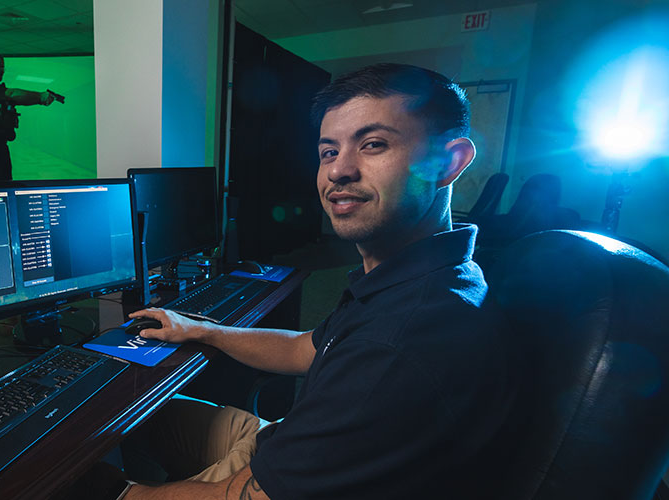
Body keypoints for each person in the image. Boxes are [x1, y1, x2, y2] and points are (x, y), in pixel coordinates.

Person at [115, 63, 518, 499]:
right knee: (140, 415)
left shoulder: (401, 342)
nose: (338, 171)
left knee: (83, 474)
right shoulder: (419, 278)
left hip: (272, 480)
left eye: (373, 144)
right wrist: (204, 330)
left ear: (448, 162)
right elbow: (305, 348)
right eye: (329, 151)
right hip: (287, 443)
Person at [0, 50, 55, 181]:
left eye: (3, 67)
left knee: (5, 184)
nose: (3, 71)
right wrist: (40, 97)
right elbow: (12, 94)